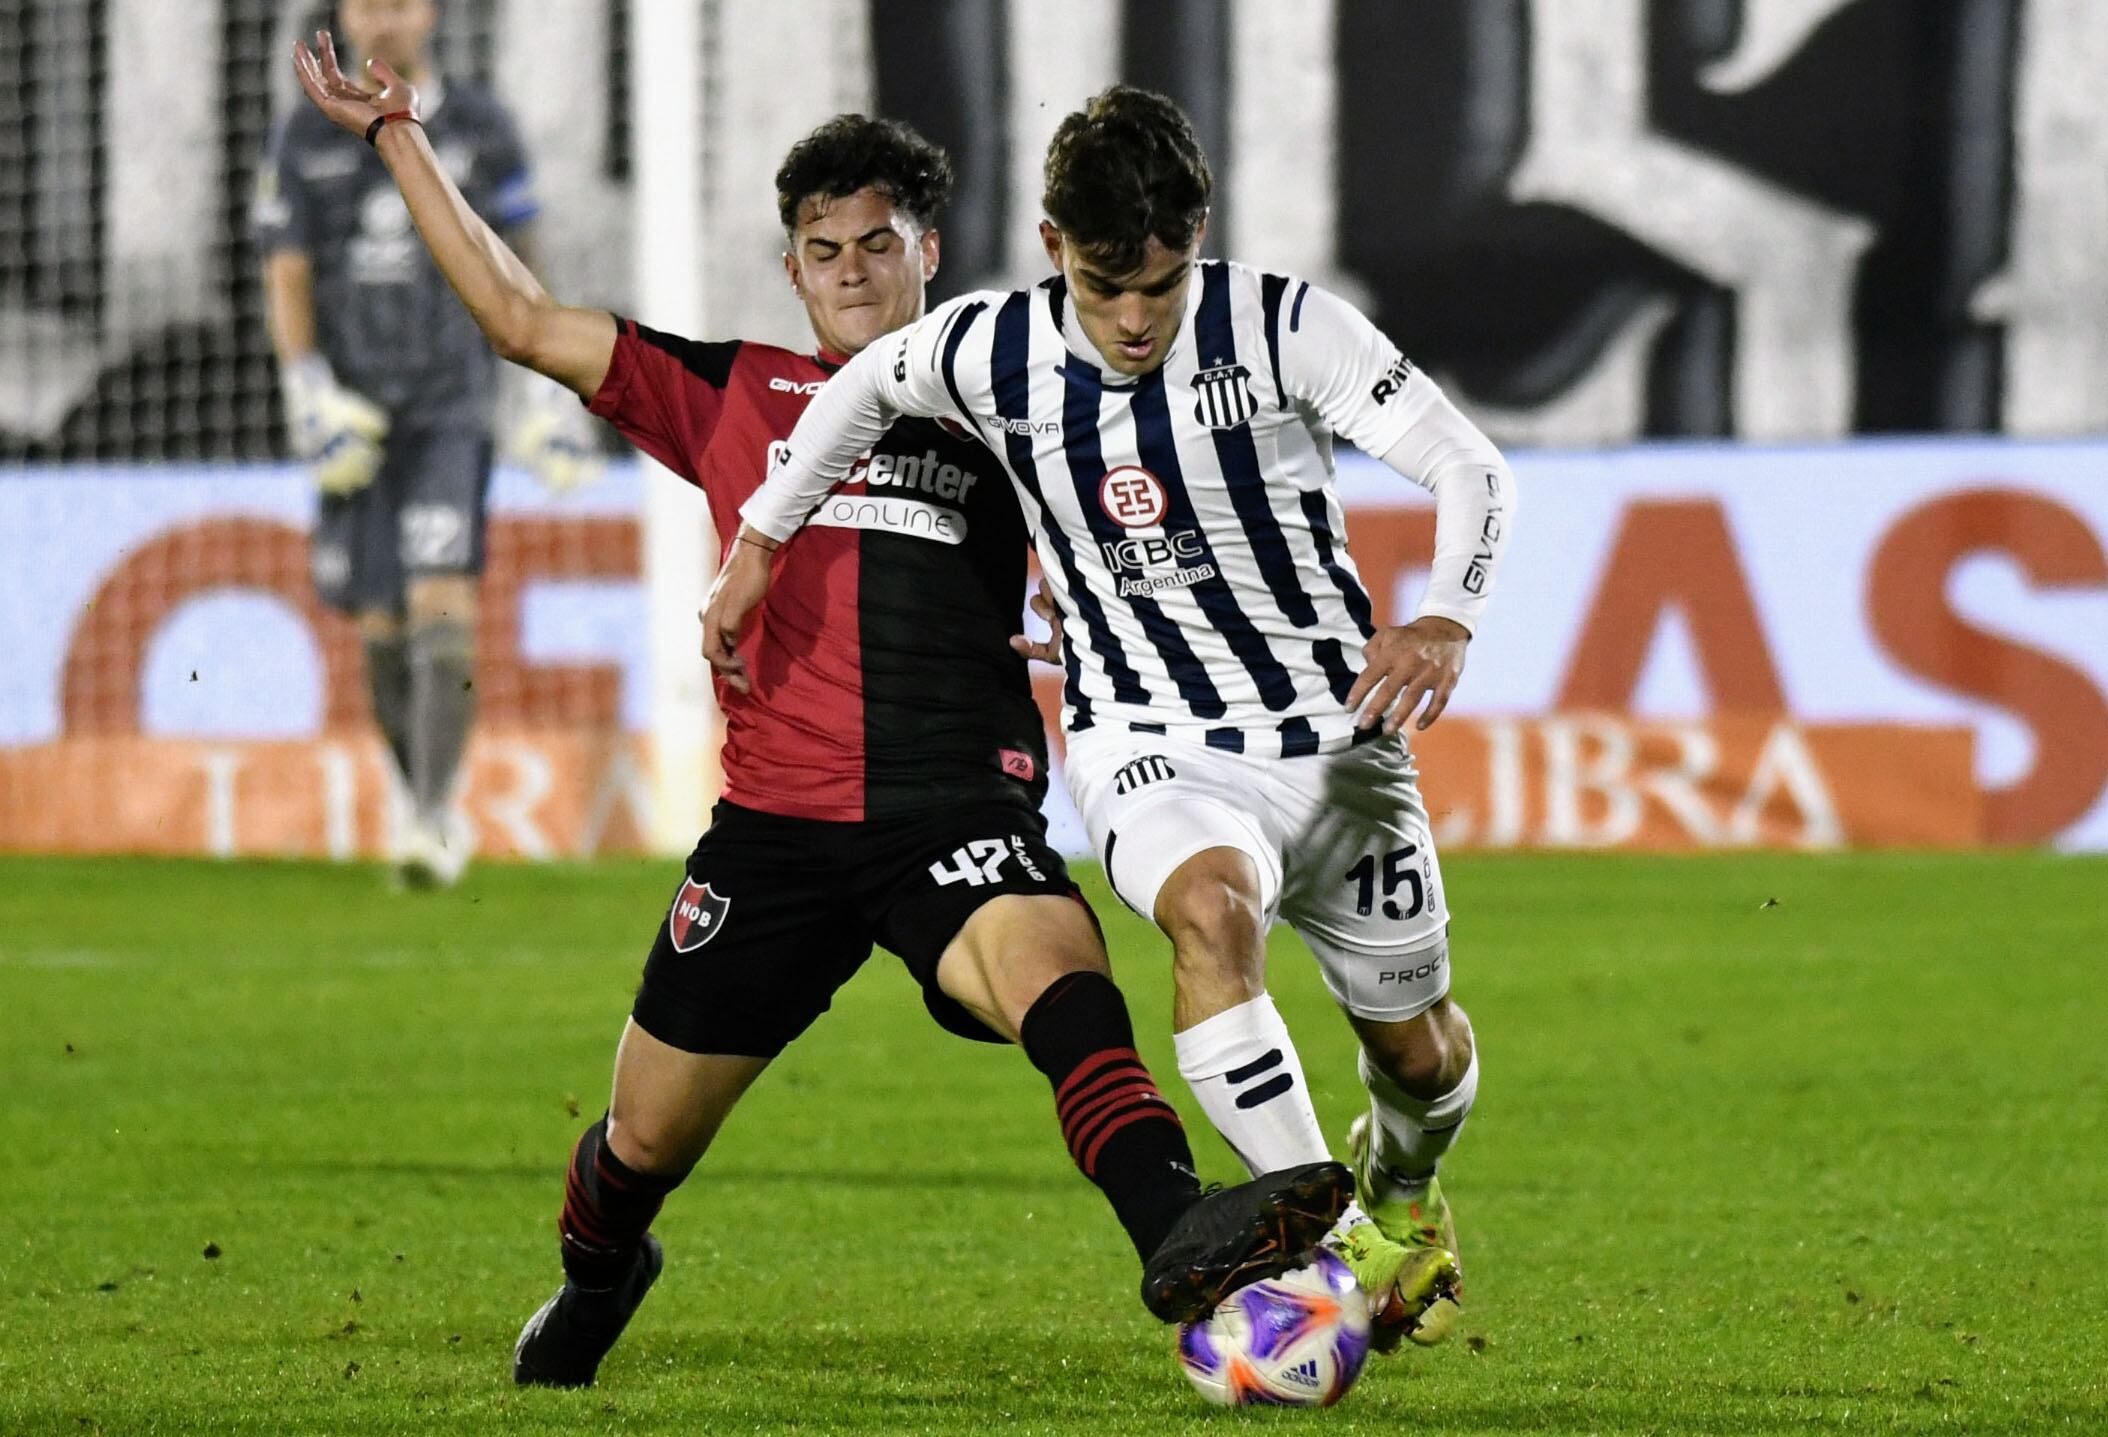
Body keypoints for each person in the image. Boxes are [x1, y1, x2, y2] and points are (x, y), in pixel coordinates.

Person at [289, 37, 1352, 1390]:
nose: (852, 269)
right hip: (775, 837)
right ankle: (601, 1272)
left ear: (929, 252)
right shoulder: (736, 394)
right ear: (794, 271)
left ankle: (1180, 1231)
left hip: (951, 812)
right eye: (824, 248)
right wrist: (397, 137)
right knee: (639, 1146)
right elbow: (521, 321)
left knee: (1062, 976)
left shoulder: (1013, 398)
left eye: (878, 242)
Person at [709, 84, 1519, 1352]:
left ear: (1197, 235)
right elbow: (858, 389)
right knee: (1207, 913)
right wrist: (761, 540)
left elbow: (1468, 464)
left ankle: (1403, 1191)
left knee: (1416, 1053)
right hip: (1148, 739)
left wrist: (1445, 616)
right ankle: (1338, 1253)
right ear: (1050, 247)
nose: (1134, 320)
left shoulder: (1281, 325)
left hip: (1334, 745)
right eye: (1103, 288)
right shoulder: (992, 345)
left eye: (1159, 284)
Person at [257, 0, 598, 888]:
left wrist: (543, 385)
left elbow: (523, 249)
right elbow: (286, 266)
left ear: (433, 13)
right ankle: (421, 802)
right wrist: (307, 389)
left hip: (453, 403)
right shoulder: (305, 134)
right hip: (358, 414)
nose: (384, 21)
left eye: (400, 2)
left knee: (443, 602)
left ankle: (435, 815)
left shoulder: (481, 129)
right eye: (367, 3)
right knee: (378, 624)